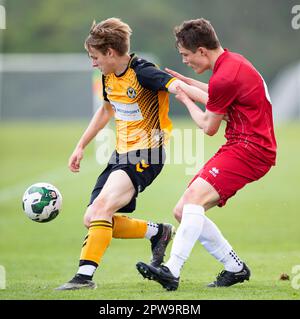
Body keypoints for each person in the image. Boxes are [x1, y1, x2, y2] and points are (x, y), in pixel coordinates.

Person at [56, 18, 205, 290]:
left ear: (111, 53)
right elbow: (105, 110)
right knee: (93, 218)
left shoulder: (144, 73)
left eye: (95, 57)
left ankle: (83, 278)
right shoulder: (107, 75)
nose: (93, 63)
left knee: (101, 209)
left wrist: (215, 101)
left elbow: (178, 87)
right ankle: (157, 232)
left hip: (147, 152)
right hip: (121, 154)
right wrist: (81, 145)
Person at [136, 18, 277, 291]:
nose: (185, 61)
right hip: (244, 146)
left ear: (202, 50)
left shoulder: (225, 75)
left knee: (193, 201)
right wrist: (187, 83)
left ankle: (171, 270)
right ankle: (235, 267)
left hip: (250, 149)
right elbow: (219, 95)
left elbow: (207, 126)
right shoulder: (232, 63)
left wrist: (185, 97)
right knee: (183, 210)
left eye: (186, 55)